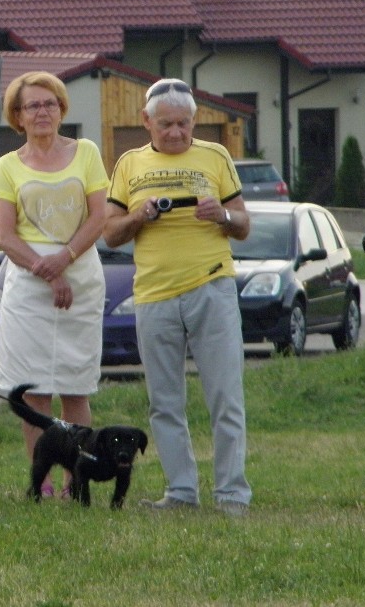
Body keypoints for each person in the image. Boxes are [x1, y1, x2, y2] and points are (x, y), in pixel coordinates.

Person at [103, 78, 252, 517]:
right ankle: (181, 491)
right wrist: (139, 216)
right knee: (164, 401)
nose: (175, 133)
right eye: (165, 124)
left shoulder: (216, 155)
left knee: (225, 396)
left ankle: (231, 495)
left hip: (212, 287)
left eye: (183, 124)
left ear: (194, 121)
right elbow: (110, 234)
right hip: (153, 293)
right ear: (146, 121)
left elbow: (244, 225)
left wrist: (221, 214)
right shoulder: (129, 164)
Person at [0, 71, 107, 499]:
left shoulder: (86, 153)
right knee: (33, 388)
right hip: (30, 281)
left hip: (81, 275)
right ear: (17, 116)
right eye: (32, 106)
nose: (42, 112)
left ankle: (79, 478)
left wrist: (66, 259)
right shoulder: (7, 166)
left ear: (61, 109)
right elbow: (4, 235)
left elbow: (98, 217)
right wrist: (49, 270)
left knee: (76, 385)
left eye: (50, 103)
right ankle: (44, 484)